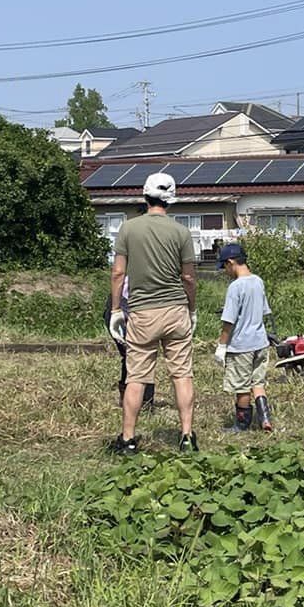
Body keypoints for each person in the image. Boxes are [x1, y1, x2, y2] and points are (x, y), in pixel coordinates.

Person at [109, 170, 199, 454]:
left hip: (142, 311)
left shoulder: (128, 229)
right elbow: (189, 278)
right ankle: (186, 436)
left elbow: (118, 272)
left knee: (136, 377)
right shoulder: (181, 232)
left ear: (144, 195)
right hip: (175, 310)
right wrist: (191, 308)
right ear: (171, 199)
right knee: (182, 374)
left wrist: (115, 310)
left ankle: (128, 439)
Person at [213, 242, 274, 432]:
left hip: (241, 346)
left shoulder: (235, 287)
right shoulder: (258, 281)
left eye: (224, 266)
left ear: (231, 262)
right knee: (258, 383)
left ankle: (241, 424)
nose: (225, 271)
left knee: (241, 386)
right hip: (260, 342)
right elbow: (263, 311)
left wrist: (222, 345)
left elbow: (229, 320)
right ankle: (265, 419)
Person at [103, 276, 156, 411]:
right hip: (121, 306)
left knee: (141, 355)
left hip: (143, 307)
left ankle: (144, 401)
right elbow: (117, 274)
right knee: (133, 355)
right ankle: (132, 398)